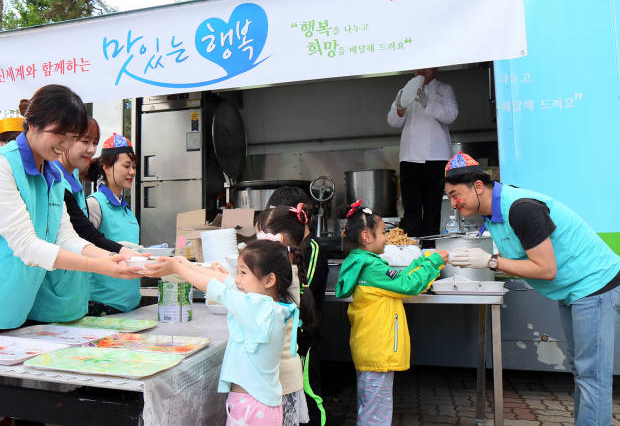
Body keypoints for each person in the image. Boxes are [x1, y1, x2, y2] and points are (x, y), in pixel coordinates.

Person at [0, 85, 144, 425]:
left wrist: (113, 259)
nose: (66, 144)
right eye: (61, 133)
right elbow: (27, 245)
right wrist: (101, 264)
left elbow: (65, 236)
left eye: (72, 135)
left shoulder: (54, 176)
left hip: (8, 314)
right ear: (33, 124)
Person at [444, 152, 620, 426]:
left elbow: (546, 269)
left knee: (592, 376)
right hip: (571, 290)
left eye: (456, 194)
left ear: (478, 186)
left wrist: (490, 261)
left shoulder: (521, 208)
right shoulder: (493, 214)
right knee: (582, 372)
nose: (454, 204)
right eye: (450, 197)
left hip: (593, 284)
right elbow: (520, 260)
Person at [147, 240, 302, 426]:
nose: (237, 279)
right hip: (254, 406)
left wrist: (178, 269)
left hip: (252, 408)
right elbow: (227, 283)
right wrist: (185, 264)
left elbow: (219, 289)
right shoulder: (269, 305)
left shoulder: (260, 308)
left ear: (269, 280)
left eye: (243, 273)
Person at [335, 200, 447, 425]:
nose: (386, 237)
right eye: (383, 232)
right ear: (367, 236)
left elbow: (399, 280)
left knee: (370, 408)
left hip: (371, 350)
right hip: (379, 351)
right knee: (375, 416)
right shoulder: (373, 267)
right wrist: (434, 261)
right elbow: (407, 285)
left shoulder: (361, 263)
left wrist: (422, 261)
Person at [28, 118, 140, 323]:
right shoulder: (54, 183)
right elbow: (86, 235)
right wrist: (117, 257)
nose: (90, 150)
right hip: (51, 301)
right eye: (83, 141)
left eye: (94, 143)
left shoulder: (73, 186)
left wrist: (122, 255)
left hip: (73, 300)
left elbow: (78, 236)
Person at [257, 201, 327, 426]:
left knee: (308, 395)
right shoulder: (279, 270)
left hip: (303, 341)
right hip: (287, 349)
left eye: (261, 237)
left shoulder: (289, 273)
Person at [387, 68, 458, 237]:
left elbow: (451, 115)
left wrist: (427, 103)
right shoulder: (405, 89)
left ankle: (430, 247)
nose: (421, 70)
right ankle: (411, 247)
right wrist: (399, 108)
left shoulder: (444, 89)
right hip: (410, 156)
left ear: (435, 68)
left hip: (436, 156)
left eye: (426, 66)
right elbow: (393, 121)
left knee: (432, 206)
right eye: (418, 67)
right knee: (411, 207)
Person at [83, 133, 142, 316]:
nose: (132, 172)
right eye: (126, 166)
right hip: (103, 306)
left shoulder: (127, 210)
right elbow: (84, 248)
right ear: (107, 166)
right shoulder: (95, 204)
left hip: (131, 306)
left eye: (134, 166)